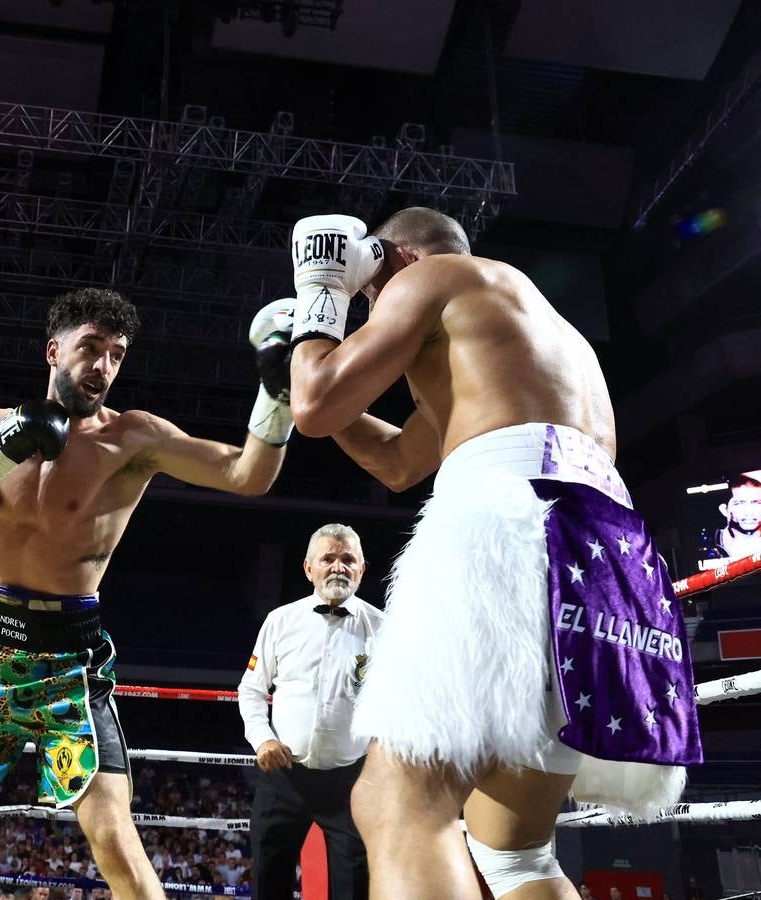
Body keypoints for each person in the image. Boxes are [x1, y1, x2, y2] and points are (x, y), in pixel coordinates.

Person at [265, 208, 704, 898]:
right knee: (516, 850)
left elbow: (319, 402)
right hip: (610, 564)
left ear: (393, 256)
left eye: (374, 295)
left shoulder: (430, 275)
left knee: (397, 804)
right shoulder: (525, 330)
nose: (378, 316)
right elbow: (397, 462)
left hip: (508, 523)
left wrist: (322, 298)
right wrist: (293, 381)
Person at [0, 287, 289, 900]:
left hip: (68, 666)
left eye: (116, 355)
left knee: (112, 835)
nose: (103, 366)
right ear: (54, 350)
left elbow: (249, 476)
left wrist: (277, 396)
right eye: (91, 348)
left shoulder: (134, 439)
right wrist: (0, 454)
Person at [238, 523, 382, 900]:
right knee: (269, 883)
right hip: (283, 776)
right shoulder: (280, 621)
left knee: (354, 889)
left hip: (351, 782)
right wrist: (263, 739)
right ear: (309, 568)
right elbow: (251, 690)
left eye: (348, 559)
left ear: (362, 568)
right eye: (328, 558)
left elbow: (396, 706)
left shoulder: (384, 629)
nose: (338, 567)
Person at [710, 476, 761, 562]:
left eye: (756, 503)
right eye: (739, 503)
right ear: (725, 510)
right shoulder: (710, 544)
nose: (749, 512)